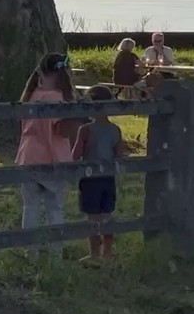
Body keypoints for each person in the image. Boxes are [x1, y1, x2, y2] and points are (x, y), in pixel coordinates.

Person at [16, 53, 77, 231]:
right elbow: (61, 130)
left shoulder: (31, 95)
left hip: (29, 155)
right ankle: (56, 247)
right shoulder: (58, 98)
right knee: (55, 209)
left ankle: (29, 246)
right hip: (53, 157)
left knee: (30, 207)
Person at [73, 85, 126, 261]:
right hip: (108, 178)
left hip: (90, 179)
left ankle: (94, 254)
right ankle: (107, 252)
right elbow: (119, 155)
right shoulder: (115, 129)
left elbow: (76, 155)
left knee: (92, 217)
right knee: (107, 215)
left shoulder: (85, 130)